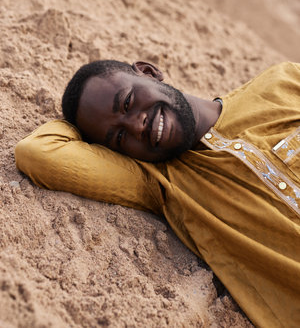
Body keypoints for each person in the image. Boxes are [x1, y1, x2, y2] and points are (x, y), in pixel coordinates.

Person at [15, 60, 300, 328]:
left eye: (127, 102)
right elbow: (39, 153)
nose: (137, 125)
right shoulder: (162, 185)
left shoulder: (283, 83)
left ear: (148, 71)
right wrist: (81, 124)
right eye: (119, 137)